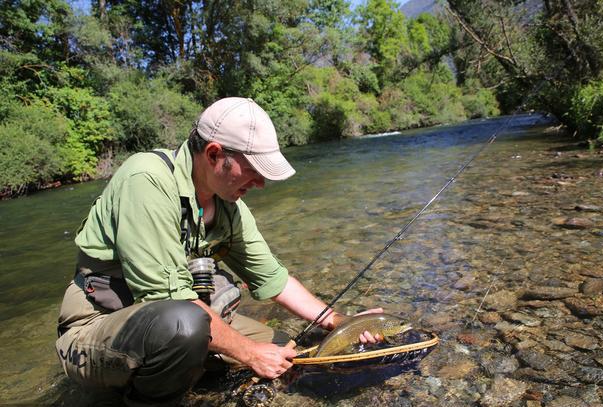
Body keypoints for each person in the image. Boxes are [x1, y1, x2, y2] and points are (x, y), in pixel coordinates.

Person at [55, 97, 381, 406]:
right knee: (185, 326)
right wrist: (250, 353)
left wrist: (339, 322)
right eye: (253, 169)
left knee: (286, 351)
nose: (261, 183)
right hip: (98, 324)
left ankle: (195, 374)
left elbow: (274, 279)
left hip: (176, 321)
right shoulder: (147, 180)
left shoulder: (228, 204)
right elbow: (171, 301)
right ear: (213, 155)